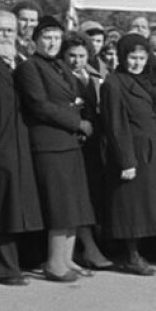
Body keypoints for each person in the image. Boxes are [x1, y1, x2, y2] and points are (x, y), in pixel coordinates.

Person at [14, 17, 100, 281]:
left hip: (69, 142)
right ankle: (54, 262)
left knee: (74, 205)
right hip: (49, 144)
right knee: (59, 205)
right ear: (34, 41)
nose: (52, 43)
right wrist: (77, 122)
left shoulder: (60, 66)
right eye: (46, 37)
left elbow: (71, 98)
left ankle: (67, 258)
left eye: (55, 37)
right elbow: (39, 105)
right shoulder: (30, 67)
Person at [98, 35, 156, 275]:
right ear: (122, 57)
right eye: (132, 57)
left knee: (145, 206)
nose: (137, 62)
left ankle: (144, 251)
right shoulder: (114, 83)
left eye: (142, 57)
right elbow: (116, 125)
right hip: (132, 151)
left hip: (151, 151)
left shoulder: (145, 81)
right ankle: (131, 255)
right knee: (131, 207)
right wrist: (126, 160)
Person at [61, 33, 112, 270]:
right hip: (73, 143)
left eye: (81, 56)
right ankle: (86, 249)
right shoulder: (61, 77)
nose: (76, 61)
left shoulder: (91, 76)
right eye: (71, 55)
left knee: (90, 197)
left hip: (92, 146)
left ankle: (85, 249)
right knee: (77, 199)